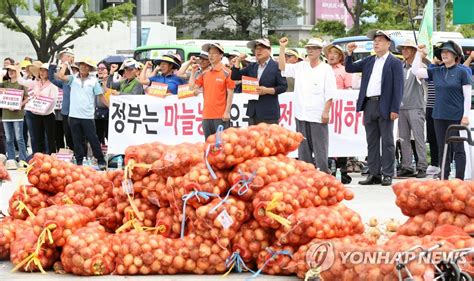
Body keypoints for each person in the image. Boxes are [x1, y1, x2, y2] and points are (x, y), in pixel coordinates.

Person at [345, 30, 404, 186]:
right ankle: (374, 173)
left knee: (387, 142)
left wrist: (395, 109)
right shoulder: (369, 60)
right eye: (375, 40)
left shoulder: (395, 62)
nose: (376, 43)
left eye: (380, 40)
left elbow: (398, 88)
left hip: (385, 105)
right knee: (371, 142)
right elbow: (350, 68)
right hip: (369, 104)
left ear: (388, 44)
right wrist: (349, 53)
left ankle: (387, 174)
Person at [412, 41, 472, 180]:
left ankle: (459, 180)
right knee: (442, 147)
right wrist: (418, 55)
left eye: (447, 52)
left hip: (456, 116)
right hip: (438, 115)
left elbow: (467, 96)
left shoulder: (463, 71)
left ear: (455, 55)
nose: (444, 54)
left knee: (458, 149)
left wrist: (465, 116)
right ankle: (444, 177)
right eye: (442, 52)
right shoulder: (436, 71)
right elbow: (416, 71)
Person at [279, 37, 337, 173]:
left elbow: (330, 92)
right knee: (303, 148)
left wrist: (326, 111)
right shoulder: (300, 66)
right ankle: (306, 174)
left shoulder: (326, 69)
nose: (310, 51)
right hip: (301, 113)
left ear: (319, 51)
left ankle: (323, 173)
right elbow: (282, 67)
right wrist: (282, 48)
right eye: (308, 48)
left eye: (313, 48)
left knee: (320, 148)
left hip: (317, 113)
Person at [57, 58, 108, 169]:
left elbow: (100, 96)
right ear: (79, 67)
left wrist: (111, 107)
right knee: (77, 140)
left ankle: (100, 160)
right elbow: (60, 76)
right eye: (81, 65)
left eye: (86, 66)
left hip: (88, 116)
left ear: (89, 69)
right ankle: (79, 162)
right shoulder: (72, 78)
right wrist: (65, 64)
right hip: (74, 115)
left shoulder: (93, 81)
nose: (83, 68)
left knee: (93, 139)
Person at [230, 39, 287, 125]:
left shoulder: (277, 66)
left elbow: (283, 87)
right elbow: (235, 76)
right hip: (253, 112)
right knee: (253, 138)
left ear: (269, 50)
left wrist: (267, 90)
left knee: (269, 138)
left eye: (261, 48)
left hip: (269, 113)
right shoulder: (252, 66)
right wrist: (238, 61)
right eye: (256, 49)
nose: (258, 51)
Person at [395, 39, 428, 178]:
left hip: (416, 106)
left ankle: (422, 166)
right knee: (403, 139)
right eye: (403, 48)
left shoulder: (421, 67)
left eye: (408, 48)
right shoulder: (400, 67)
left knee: (419, 138)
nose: (404, 50)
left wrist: (421, 55)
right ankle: (406, 166)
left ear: (414, 50)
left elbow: (418, 71)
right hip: (401, 107)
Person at [189, 42, 235, 140]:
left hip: (220, 116)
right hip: (206, 116)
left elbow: (230, 93)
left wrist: (227, 112)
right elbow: (192, 88)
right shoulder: (205, 73)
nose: (211, 55)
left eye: (214, 53)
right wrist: (193, 72)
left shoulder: (227, 72)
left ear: (221, 55)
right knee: (209, 145)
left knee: (221, 145)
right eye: (209, 53)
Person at [324, 43, 354, 184]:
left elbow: (349, 89)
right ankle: (329, 167)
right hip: (324, 107)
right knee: (327, 137)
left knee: (341, 137)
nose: (331, 56)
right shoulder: (322, 69)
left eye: (335, 53)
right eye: (329, 53)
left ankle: (343, 169)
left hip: (340, 108)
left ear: (340, 56)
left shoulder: (344, 70)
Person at [18, 62, 59, 154]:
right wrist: (17, 69)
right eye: (41, 70)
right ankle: (39, 157)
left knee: (50, 138)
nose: (42, 72)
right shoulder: (35, 82)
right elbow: (21, 81)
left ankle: (51, 157)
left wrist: (42, 107)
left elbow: (53, 100)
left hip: (48, 114)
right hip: (36, 114)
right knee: (38, 137)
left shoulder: (53, 84)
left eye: (45, 71)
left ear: (49, 73)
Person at [0, 65, 29, 167]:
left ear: (17, 72)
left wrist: (19, 105)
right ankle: (11, 160)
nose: (10, 72)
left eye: (13, 70)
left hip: (17, 115)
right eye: (9, 70)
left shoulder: (21, 84)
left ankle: (23, 159)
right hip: (6, 115)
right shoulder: (4, 83)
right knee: (8, 139)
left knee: (19, 138)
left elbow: (27, 98)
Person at [48, 48, 75, 150]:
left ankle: (78, 157)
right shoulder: (64, 82)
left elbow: (64, 75)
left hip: (76, 111)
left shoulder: (75, 76)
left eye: (63, 57)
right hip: (65, 111)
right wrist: (53, 66)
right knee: (67, 136)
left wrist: (66, 65)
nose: (62, 60)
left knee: (75, 137)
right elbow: (53, 79)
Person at [95, 62, 110, 145]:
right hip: (96, 114)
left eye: (102, 68)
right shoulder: (94, 81)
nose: (100, 70)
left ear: (107, 70)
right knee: (98, 137)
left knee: (109, 135)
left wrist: (106, 81)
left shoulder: (112, 81)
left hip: (109, 113)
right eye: (98, 69)